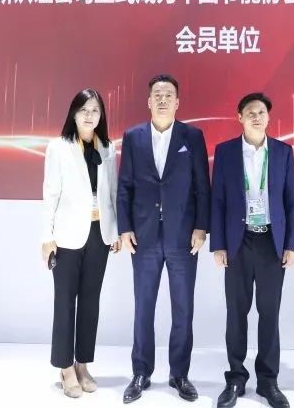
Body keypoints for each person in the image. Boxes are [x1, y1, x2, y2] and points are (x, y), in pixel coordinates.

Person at [117, 74, 211, 404]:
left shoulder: (192, 136)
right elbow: (124, 186)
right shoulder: (134, 136)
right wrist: (125, 228)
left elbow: (202, 186)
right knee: (143, 307)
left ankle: (179, 374)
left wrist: (201, 227)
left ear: (177, 102)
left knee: (183, 309)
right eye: (157, 94)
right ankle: (141, 372)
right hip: (143, 237)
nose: (162, 99)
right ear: (148, 101)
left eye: (168, 95)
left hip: (183, 237)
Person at [210, 93, 294, 408]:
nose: (257, 117)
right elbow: (218, 200)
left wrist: (291, 244)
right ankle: (236, 378)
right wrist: (219, 244)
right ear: (240, 117)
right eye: (250, 112)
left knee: (269, 313)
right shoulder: (226, 152)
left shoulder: (282, 152)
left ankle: (268, 381)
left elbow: (291, 200)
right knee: (236, 312)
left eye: (261, 112)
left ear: (268, 117)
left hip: (271, 242)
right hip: (238, 241)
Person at [41, 88, 121, 398]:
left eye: (95, 110)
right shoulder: (58, 147)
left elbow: (112, 194)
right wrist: (46, 237)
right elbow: (50, 194)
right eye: (84, 109)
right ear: (74, 113)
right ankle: (65, 367)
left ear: (101, 116)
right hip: (66, 237)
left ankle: (83, 364)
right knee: (64, 302)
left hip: (99, 234)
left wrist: (115, 232)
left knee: (90, 302)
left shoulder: (107, 148)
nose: (89, 115)